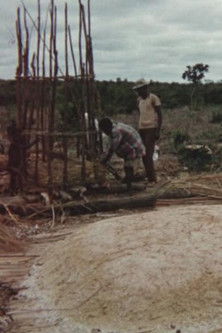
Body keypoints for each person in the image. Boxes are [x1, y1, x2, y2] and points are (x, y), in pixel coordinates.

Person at [99, 117, 145, 190]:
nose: (104, 132)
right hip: (131, 147)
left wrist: (105, 159)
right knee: (127, 166)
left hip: (134, 148)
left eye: (104, 130)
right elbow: (109, 146)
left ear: (107, 128)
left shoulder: (116, 131)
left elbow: (112, 147)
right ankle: (129, 180)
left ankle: (130, 184)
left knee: (128, 166)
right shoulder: (114, 128)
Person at [133, 79, 162, 183]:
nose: (138, 92)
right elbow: (141, 114)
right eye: (137, 90)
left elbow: (159, 115)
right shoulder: (139, 100)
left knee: (148, 154)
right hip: (142, 129)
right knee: (143, 154)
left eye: (140, 89)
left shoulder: (154, 98)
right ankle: (149, 175)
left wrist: (158, 130)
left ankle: (152, 178)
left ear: (145, 88)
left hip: (151, 128)